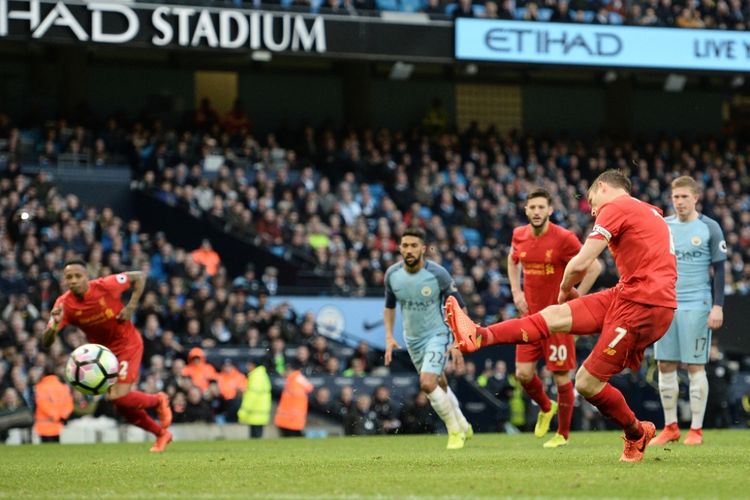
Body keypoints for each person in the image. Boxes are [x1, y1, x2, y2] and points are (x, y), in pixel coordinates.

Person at [445, 170, 677, 462]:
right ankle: (480, 335)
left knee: (586, 383)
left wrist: (566, 288)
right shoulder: (649, 210)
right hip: (629, 294)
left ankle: (635, 433)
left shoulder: (616, 207)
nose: (592, 209)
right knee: (552, 316)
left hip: (643, 305)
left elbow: (583, 260)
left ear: (603, 187)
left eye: (592, 201)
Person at [42, 260, 173, 452]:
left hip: (127, 343)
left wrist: (131, 306)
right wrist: (53, 327)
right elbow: (46, 342)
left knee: (118, 397)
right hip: (104, 356)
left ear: (87, 276)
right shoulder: (64, 304)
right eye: (69, 277)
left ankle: (158, 400)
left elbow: (140, 277)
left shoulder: (106, 285)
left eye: (78, 276)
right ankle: (161, 434)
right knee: (120, 406)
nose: (73, 281)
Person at [508, 188, 602, 448]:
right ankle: (545, 407)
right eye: (532, 207)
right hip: (530, 317)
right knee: (523, 374)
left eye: (541, 207)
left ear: (549, 210)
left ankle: (562, 434)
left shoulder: (563, 238)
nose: (536, 212)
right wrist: (516, 291)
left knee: (561, 378)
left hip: (557, 320)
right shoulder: (519, 235)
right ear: (526, 210)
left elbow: (594, 266)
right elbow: (512, 259)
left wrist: (577, 298)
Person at [650, 176, 727, 447]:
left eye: (684, 197)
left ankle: (696, 429)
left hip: (697, 304)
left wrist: (718, 305)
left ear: (695, 198)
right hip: (666, 304)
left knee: (695, 365)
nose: (679, 202)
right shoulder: (663, 227)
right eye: (675, 197)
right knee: (665, 364)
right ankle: (670, 426)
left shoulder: (709, 228)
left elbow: (719, 270)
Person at [384, 227, 472, 450]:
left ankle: (453, 430)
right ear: (400, 248)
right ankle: (463, 422)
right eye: (405, 246)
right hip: (412, 340)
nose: (409, 250)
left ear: (423, 248)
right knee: (439, 381)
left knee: (427, 383)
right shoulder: (392, 275)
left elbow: (460, 307)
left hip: (437, 334)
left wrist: (458, 341)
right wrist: (388, 336)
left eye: (414, 246)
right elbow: (389, 307)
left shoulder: (438, 274)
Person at [34, 366, 73, 443]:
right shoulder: (63, 386)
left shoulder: (40, 387)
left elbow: (42, 403)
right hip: (59, 424)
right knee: (57, 448)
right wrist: (62, 416)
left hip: (44, 424)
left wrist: (54, 415)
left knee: (45, 450)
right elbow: (69, 404)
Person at [274, 363, 313, 437]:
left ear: (290, 370)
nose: (284, 373)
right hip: (289, 416)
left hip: (294, 415)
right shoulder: (291, 380)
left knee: (294, 436)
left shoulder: (298, 378)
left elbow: (310, 388)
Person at [237, 360, 272, 438]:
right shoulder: (262, 375)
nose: (247, 367)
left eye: (249, 365)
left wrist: (243, 413)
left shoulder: (256, 376)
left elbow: (251, 396)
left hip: (254, 413)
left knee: (255, 439)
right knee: (257, 438)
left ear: (253, 365)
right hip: (260, 413)